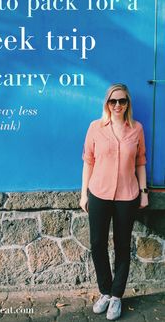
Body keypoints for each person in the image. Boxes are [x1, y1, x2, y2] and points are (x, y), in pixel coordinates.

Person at [79, 83, 149, 320]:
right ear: (107, 103)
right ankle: (105, 292)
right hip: (98, 193)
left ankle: (117, 297)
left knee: (122, 246)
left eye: (122, 101)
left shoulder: (136, 129)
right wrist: (83, 194)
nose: (117, 105)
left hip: (127, 196)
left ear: (128, 103)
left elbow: (141, 161)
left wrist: (144, 191)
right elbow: (88, 161)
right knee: (97, 243)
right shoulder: (95, 128)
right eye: (113, 101)